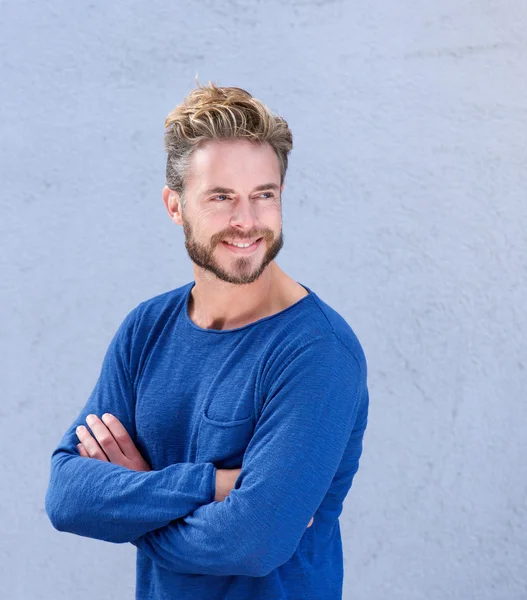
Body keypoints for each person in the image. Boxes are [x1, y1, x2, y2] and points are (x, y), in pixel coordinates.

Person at [45, 82, 370, 600]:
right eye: (221, 198)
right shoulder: (146, 329)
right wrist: (215, 485)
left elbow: (253, 543)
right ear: (175, 206)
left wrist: (135, 503)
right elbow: (67, 497)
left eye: (264, 195)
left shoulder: (318, 352)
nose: (247, 221)